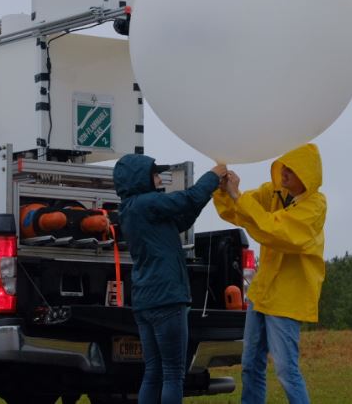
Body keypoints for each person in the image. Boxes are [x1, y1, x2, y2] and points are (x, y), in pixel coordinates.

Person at [214, 143, 326, 404]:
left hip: (288, 298)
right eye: (283, 166)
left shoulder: (315, 206)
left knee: (287, 371)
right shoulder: (273, 192)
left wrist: (238, 197)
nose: (284, 172)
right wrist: (225, 191)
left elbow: (277, 232)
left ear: (307, 174)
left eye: (292, 169)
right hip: (262, 293)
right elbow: (239, 212)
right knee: (251, 365)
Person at [113, 154, 227, 404]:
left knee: (153, 373)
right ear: (139, 178)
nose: (158, 178)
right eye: (154, 174)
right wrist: (214, 175)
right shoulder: (148, 203)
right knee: (173, 374)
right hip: (166, 299)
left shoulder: (132, 209)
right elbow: (187, 199)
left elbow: (183, 216)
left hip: (145, 301)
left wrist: (207, 193)